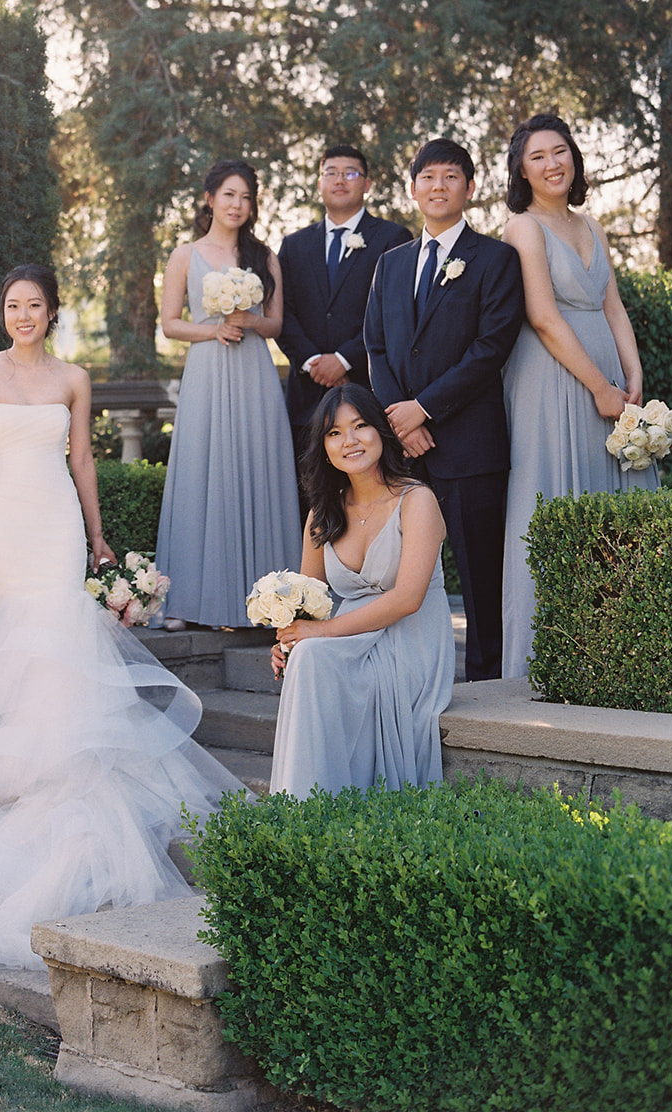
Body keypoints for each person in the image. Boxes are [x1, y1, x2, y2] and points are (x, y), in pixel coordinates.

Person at [0, 265, 241, 972]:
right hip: (3, 525)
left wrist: (96, 536)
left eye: (35, 305)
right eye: (12, 305)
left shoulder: (74, 377)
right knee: (24, 649)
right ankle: (27, 803)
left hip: (58, 519)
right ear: (1, 312)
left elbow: (84, 458)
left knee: (62, 640)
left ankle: (77, 805)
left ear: (52, 312)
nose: (23, 315)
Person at [500, 113, 659, 677]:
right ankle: (546, 656)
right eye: (538, 156)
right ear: (522, 169)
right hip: (554, 377)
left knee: (614, 506)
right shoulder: (522, 226)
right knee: (554, 493)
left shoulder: (590, 224)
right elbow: (541, 315)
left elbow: (613, 305)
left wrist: (632, 377)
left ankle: (620, 648)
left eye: (560, 151)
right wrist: (599, 385)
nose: (552, 163)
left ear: (575, 158)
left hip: (609, 378)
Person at [364, 138, 524, 681]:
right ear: (413, 189)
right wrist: (398, 419)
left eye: (451, 177)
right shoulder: (390, 264)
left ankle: (488, 686)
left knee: (480, 576)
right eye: (428, 177)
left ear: (470, 188)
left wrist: (424, 409)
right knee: (399, 574)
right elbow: (378, 348)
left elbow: (491, 347)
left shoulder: (497, 260)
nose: (438, 186)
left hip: (471, 445)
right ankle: (407, 676)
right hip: (404, 450)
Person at [269, 385, 454, 798]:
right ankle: (311, 810)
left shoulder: (416, 500)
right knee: (306, 658)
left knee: (315, 655)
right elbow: (310, 599)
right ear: (324, 447)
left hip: (411, 641)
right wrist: (288, 639)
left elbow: (408, 599)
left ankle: (310, 810)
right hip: (346, 638)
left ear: (382, 432)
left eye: (360, 426)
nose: (349, 440)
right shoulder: (323, 511)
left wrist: (317, 635)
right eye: (334, 433)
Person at [155, 159, 302, 629]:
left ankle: (269, 603)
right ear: (209, 198)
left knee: (257, 468)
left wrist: (249, 322)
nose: (237, 205)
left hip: (254, 372)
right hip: (207, 368)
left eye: (246, 197)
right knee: (202, 469)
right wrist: (213, 330)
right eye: (229, 195)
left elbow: (276, 323)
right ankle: (189, 602)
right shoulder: (185, 255)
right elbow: (170, 324)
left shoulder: (265, 257)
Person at [277, 142, 411, 451]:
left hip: (367, 390)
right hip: (306, 399)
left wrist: (343, 360)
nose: (340, 180)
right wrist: (313, 362)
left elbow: (394, 315)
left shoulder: (393, 238)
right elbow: (283, 313)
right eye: (331, 173)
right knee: (307, 494)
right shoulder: (294, 245)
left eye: (350, 173)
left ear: (367, 184)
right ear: (319, 182)